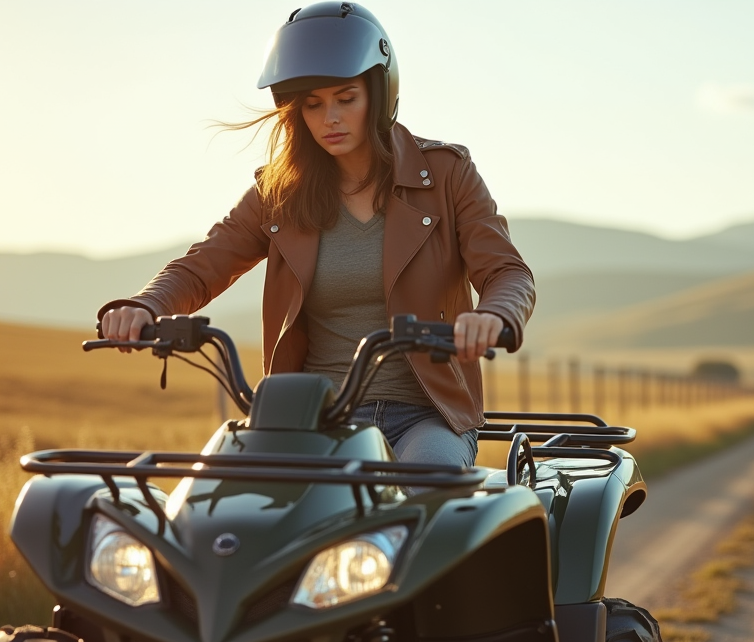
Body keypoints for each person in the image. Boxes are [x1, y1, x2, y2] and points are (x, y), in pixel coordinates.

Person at [98, 2, 534, 469]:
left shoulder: (447, 174)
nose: (330, 118)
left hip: (425, 416)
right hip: (311, 418)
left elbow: (507, 272)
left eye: (346, 99)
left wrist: (493, 315)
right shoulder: (279, 192)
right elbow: (205, 264)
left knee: (430, 488)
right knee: (237, 493)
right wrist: (146, 304)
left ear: (379, 94)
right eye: (313, 104)